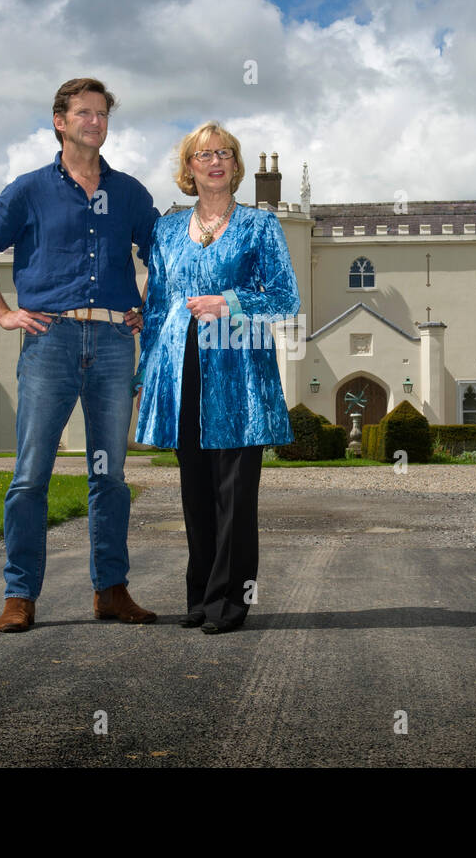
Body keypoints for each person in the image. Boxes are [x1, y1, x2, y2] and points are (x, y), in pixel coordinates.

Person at [0, 77, 159, 632]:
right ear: (60, 122)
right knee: (30, 474)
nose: (95, 121)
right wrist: (0, 311)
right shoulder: (27, 191)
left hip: (115, 343)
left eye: (102, 114)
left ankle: (111, 591)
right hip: (50, 341)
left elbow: (167, 252)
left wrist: (149, 306)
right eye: (83, 113)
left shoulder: (132, 194)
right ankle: (19, 595)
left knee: (110, 476)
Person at [134, 122, 300, 634]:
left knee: (235, 493)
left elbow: (285, 298)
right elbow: (158, 306)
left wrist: (229, 302)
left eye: (224, 153)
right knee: (195, 490)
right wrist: (146, 374)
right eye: (203, 154)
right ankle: (201, 596)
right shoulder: (165, 230)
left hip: (239, 369)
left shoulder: (260, 227)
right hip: (179, 368)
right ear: (188, 167)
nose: (214, 161)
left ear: (235, 165)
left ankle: (230, 601)